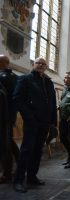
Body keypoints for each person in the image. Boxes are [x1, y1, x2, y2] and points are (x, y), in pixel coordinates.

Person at [13, 57, 57, 193]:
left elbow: (52, 102)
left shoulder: (48, 81)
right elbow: (17, 98)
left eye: (44, 64)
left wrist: (52, 121)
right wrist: (28, 116)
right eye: (38, 63)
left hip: (44, 122)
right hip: (32, 121)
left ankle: (32, 176)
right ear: (33, 64)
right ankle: (19, 180)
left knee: (38, 150)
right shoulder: (25, 79)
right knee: (27, 150)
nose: (41, 65)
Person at [0, 55, 20, 184]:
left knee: (4, 144)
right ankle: (20, 164)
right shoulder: (15, 77)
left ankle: (7, 173)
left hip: (3, 115)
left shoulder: (4, 76)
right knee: (8, 142)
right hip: (8, 115)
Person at [58, 72, 70, 169]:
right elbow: (64, 101)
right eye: (64, 77)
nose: (64, 79)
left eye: (67, 78)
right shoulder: (65, 89)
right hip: (63, 118)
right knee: (62, 137)